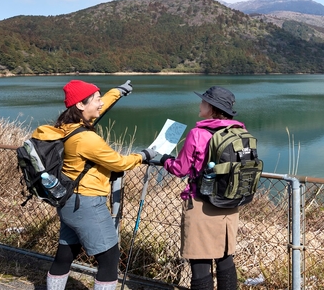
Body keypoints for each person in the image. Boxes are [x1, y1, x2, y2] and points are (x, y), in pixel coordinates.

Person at [37, 79, 161, 290]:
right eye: (96, 100)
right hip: (87, 204)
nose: (100, 103)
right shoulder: (86, 139)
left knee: (66, 253)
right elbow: (119, 162)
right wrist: (143, 155)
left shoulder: (68, 126)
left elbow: (98, 108)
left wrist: (117, 92)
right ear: (80, 105)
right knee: (110, 258)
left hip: (68, 200)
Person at [158, 86, 245, 290]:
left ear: (211, 108)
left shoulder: (197, 133)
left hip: (201, 202)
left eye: (203, 102)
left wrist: (164, 160)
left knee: (200, 262)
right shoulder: (240, 131)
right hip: (230, 201)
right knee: (225, 258)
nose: (200, 105)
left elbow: (180, 169)